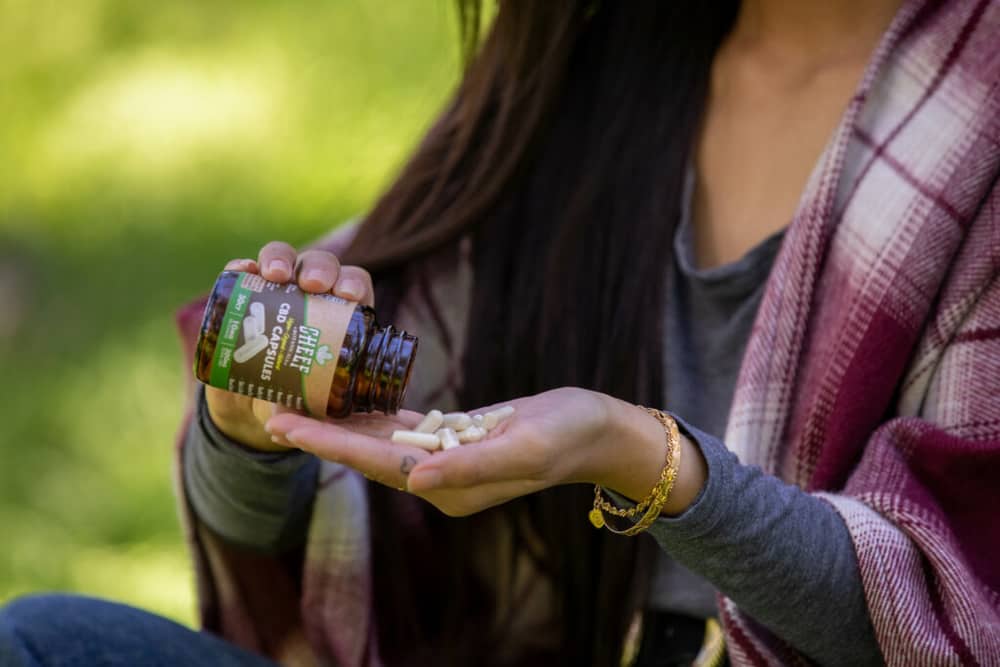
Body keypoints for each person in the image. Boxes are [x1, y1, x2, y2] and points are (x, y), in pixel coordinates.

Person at [2, 0, 998, 665]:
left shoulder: (976, 109)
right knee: (43, 642)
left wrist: (642, 459)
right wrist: (251, 432)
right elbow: (302, 528)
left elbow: (950, 612)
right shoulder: (595, 51)